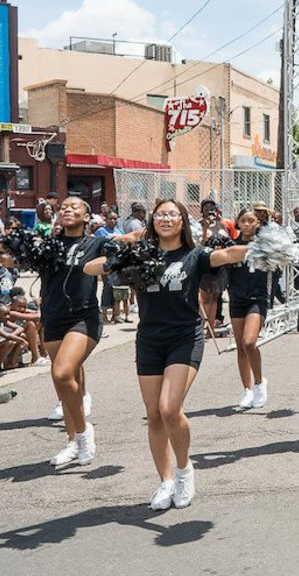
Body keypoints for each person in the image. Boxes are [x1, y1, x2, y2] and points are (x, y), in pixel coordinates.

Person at [85, 199, 246, 510]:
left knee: (170, 409)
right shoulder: (140, 254)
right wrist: (119, 255)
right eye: (160, 214)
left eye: (173, 214)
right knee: (155, 415)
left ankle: (184, 471)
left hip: (184, 337)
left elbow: (226, 254)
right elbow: (88, 268)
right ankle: (165, 480)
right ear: (152, 221)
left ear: (183, 221)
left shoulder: (195, 255)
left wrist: (258, 249)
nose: (166, 218)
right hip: (149, 339)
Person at [37, 196, 112, 467]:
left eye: (74, 207)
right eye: (64, 207)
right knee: (66, 385)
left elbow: (119, 249)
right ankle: (71, 442)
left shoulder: (96, 242)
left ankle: (83, 433)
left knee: (62, 372)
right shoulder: (49, 244)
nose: (67, 210)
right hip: (52, 317)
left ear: (86, 216)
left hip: (83, 317)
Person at [228, 208, 271, 410]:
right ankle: (247, 389)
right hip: (237, 299)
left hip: (257, 298)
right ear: (237, 223)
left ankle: (260, 382)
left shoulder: (264, 246)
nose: (246, 224)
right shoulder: (231, 246)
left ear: (258, 223)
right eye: (243, 220)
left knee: (249, 342)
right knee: (240, 346)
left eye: (251, 220)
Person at [95, 211, 129, 324]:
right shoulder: (101, 231)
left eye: (115, 219)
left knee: (118, 287)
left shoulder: (119, 231)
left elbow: (124, 243)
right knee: (108, 285)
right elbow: (102, 244)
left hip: (118, 263)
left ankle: (116, 314)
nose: (113, 221)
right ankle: (104, 313)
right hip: (106, 263)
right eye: (111, 218)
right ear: (106, 219)